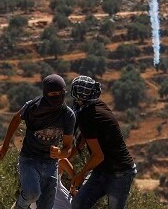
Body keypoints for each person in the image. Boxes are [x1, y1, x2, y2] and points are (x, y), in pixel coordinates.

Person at [53, 75, 136, 209]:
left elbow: (98, 156)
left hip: (120, 173)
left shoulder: (88, 116)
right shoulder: (93, 107)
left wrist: (81, 175)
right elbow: (81, 141)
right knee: (78, 204)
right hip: (102, 170)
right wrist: (63, 156)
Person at [0, 74, 76, 209]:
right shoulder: (33, 107)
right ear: (45, 93)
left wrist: (60, 153)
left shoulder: (68, 115)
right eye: (53, 94)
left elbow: (68, 147)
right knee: (32, 194)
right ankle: (19, 207)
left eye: (60, 93)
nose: (57, 97)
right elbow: (16, 119)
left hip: (51, 164)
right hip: (29, 159)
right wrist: (5, 147)